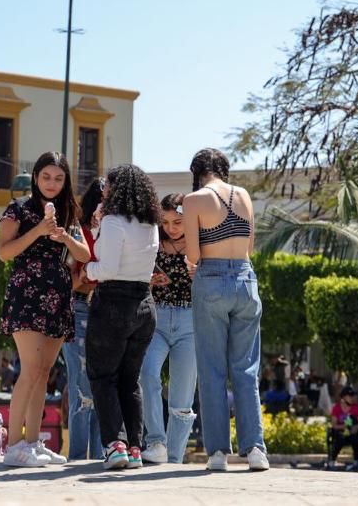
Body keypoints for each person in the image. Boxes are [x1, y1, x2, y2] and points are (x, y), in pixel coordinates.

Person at [0, 151, 90, 467]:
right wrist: (36, 231)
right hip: (27, 291)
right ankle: (13, 446)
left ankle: (33, 443)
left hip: (58, 293)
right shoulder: (18, 209)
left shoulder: (67, 213)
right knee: (30, 368)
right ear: (36, 177)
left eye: (59, 178)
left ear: (65, 182)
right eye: (46, 176)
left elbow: (85, 254)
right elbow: (4, 253)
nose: (52, 183)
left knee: (44, 372)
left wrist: (63, 235)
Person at [183, 148, 268, 472]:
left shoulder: (194, 200)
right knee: (246, 370)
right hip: (247, 281)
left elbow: (193, 255)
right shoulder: (244, 194)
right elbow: (249, 247)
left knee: (212, 370)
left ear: (197, 172)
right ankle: (256, 450)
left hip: (212, 281)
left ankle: (218, 452)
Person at [85, 164, 160, 470]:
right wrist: (96, 227)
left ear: (117, 189)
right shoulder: (149, 223)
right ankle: (134, 448)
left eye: (108, 185)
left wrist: (86, 271)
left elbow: (107, 268)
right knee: (130, 381)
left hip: (113, 303)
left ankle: (114, 445)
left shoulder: (115, 222)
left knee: (103, 376)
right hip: (144, 304)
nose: (103, 189)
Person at [141, 193, 199, 465]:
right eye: (165, 222)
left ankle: (174, 457)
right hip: (158, 318)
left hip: (191, 321)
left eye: (178, 222)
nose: (171, 228)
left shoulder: (202, 245)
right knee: (147, 374)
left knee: (182, 397)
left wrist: (200, 276)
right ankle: (156, 442)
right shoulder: (154, 242)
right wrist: (149, 281)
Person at [60, 177, 105, 462]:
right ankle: (78, 457)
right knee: (80, 386)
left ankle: (101, 455)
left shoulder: (117, 231)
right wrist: (84, 278)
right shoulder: (79, 231)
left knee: (102, 387)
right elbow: (68, 281)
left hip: (108, 309)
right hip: (79, 307)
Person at [328, 386, 358, 468]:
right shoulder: (336, 408)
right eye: (350, 396)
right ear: (344, 397)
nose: (352, 398)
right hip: (340, 432)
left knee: (355, 437)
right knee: (340, 438)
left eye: (353, 396)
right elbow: (334, 425)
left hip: (352, 432)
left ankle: (356, 461)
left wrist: (356, 427)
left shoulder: (356, 408)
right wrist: (344, 426)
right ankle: (332, 460)